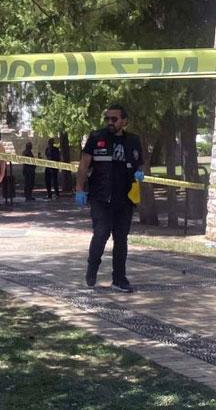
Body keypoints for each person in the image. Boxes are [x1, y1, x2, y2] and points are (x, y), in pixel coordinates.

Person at [75, 104, 145, 293]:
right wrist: (79, 189)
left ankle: (119, 279)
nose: (110, 122)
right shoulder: (96, 137)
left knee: (121, 239)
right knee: (101, 234)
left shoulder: (133, 141)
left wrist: (140, 173)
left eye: (114, 119)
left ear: (124, 121)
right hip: (101, 197)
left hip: (125, 199)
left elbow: (139, 164)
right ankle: (92, 269)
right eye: (107, 119)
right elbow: (84, 165)